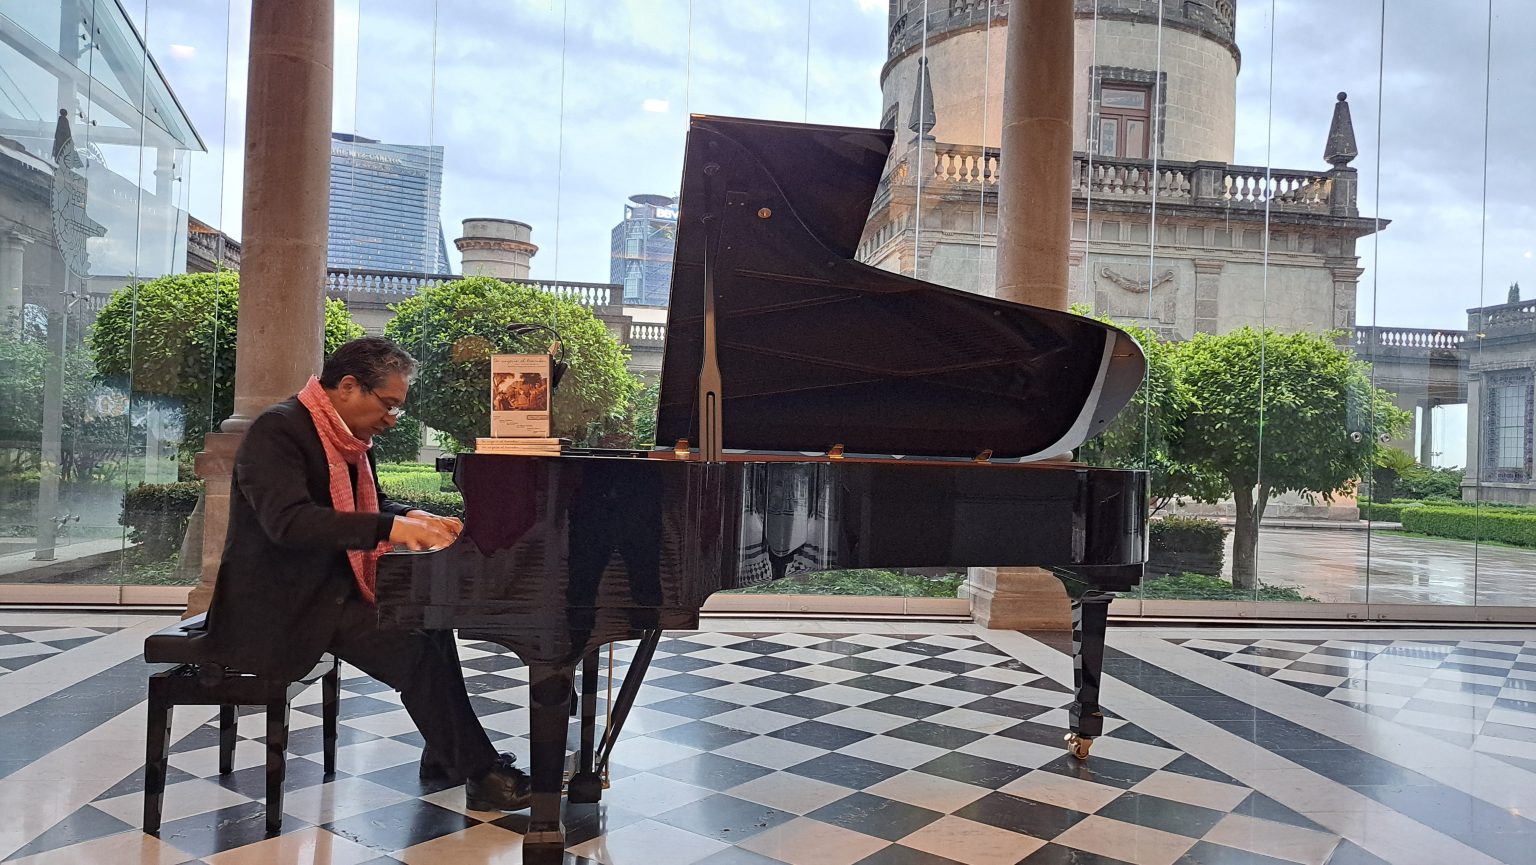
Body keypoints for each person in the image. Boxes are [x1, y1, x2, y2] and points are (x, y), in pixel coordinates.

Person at [202, 336, 530, 811]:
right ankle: (484, 776)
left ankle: (445, 751)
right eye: (389, 404)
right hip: (281, 604)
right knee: (414, 652)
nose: (392, 418)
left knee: (432, 622)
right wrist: (391, 528)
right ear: (349, 386)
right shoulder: (278, 430)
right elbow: (289, 522)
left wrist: (414, 516)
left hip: (327, 589)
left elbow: (369, 505)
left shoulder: (349, 440)